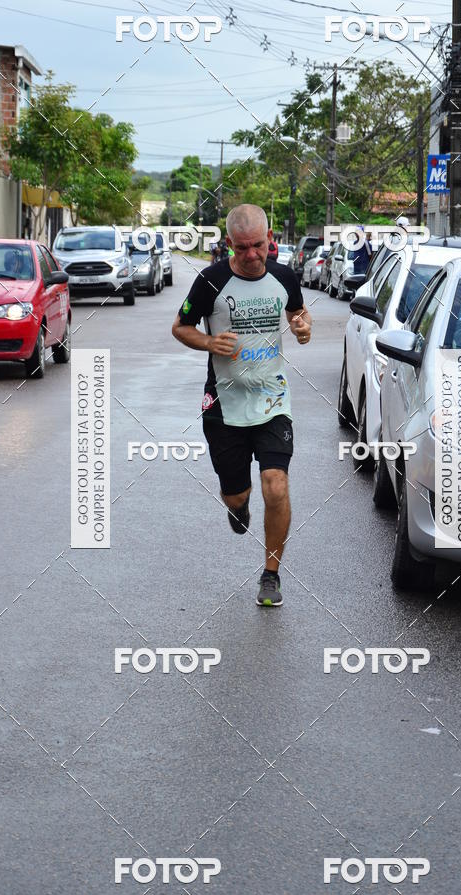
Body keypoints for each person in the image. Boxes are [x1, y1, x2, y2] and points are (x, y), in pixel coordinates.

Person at [172, 204, 312, 607]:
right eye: (242, 247)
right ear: (229, 243)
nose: (251, 255)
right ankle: (239, 506)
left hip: (272, 399)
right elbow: (180, 327)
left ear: (270, 239)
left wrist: (303, 327)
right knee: (237, 495)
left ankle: (271, 575)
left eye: (258, 246)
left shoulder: (285, 276)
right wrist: (208, 341)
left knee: (276, 485)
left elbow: (298, 312)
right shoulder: (211, 281)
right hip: (224, 403)